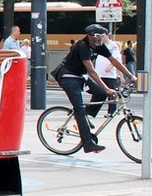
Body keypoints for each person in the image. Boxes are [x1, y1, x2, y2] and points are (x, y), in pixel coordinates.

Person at [52, 24, 131, 154]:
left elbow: (115, 61)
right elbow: (92, 71)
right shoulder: (82, 46)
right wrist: (107, 88)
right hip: (68, 76)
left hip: (81, 76)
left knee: (100, 94)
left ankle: (85, 118)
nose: (100, 39)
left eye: (102, 36)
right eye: (97, 37)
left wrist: (131, 76)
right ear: (90, 37)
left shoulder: (99, 46)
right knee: (80, 110)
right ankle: (88, 144)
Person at [93, 31, 136, 117]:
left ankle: (111, 112)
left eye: (102, 35)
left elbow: (116, 59)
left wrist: (110, 66)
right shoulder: (98, 45)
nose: (100, 37)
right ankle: (91, 112)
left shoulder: (112, 45)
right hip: (99, 74)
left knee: (112, 94)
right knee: (98, 94)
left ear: (107, 35)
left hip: (110, 75)